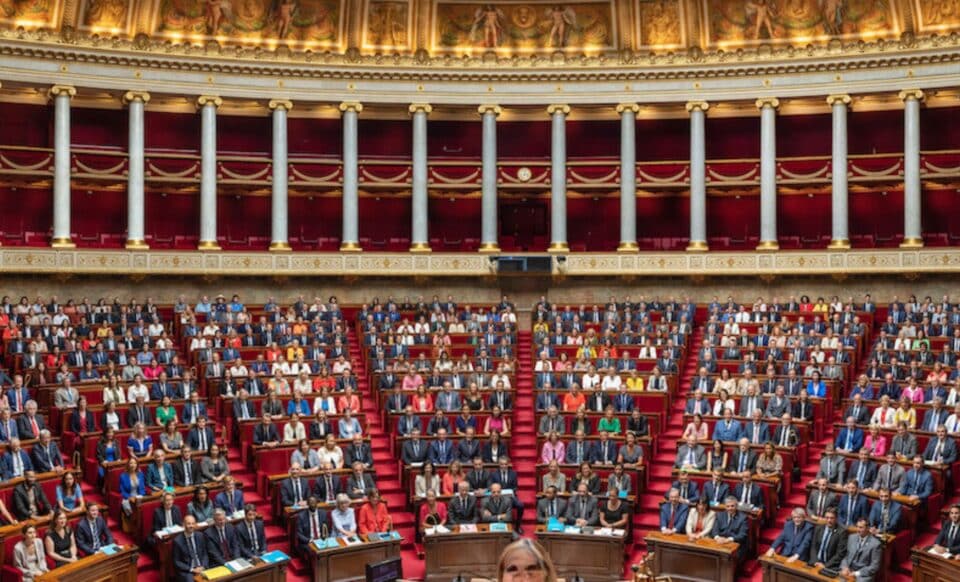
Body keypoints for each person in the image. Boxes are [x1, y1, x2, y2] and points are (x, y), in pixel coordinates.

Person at [172, 515, 209, 582]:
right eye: (188, 523)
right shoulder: (177, 541)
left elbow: (205, 554)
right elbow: (177, 561)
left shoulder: (200, 536)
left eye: (193, 523)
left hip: (201, 566)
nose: (191, 526)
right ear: (183, 525)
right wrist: (192, 569)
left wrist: (203, 566)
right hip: (188, 570)